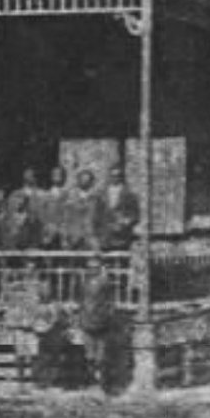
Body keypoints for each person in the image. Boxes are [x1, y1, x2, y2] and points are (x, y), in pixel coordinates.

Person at [78, 255, 117, 390]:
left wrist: (108, 315)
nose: (92, 270)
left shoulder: (104, 282)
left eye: (95, 267)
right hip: (87, 321)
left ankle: (101, 383)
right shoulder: (84, 283)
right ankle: (93, 381)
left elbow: (110, 300)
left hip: (101, 321)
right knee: (89, 356)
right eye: (90, 268)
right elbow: (81, 301)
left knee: (101, 356)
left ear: (100, 269)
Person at [94, 164, 141, 251]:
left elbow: (135, 214)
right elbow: (96, 215)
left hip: (121, 235)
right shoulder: (101, 194)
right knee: (106, 262)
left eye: (118, 176)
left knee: (121, 261)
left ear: (121, 177)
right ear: (109, 176)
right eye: (112, 175)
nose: (115, 178)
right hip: (105, 236)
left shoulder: (129, 194)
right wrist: (98, 232)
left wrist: (127, 221)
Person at [64, 168, 101, 250]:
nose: (85, 182)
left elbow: (99, 215)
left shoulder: (96, 196)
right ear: (78, 180)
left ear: (91, 182)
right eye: (82, 179)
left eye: (87, 180)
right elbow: (67, 216)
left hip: (91, 232)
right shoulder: (71, 195)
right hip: (75, 232)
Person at [36, 165, 68, 249]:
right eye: (54, 174)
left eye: (59, 174)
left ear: (64, 176)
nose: (56, 176)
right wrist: (47, 224)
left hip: (65, 227)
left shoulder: (69, 194)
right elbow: (41, 212)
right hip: (49, 227)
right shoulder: (45, 194)